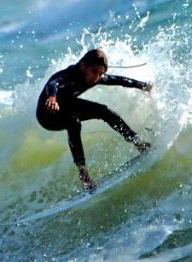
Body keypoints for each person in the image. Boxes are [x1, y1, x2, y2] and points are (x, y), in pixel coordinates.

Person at [36, 48, 153, 192]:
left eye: (101, 74)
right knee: (74, 123)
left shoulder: (94, 76)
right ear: (83, 65)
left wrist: (143, 86)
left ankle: (138, 143)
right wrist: (52, 98)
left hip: (68, 105)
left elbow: (119, 80)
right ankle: (85, 178)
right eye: (94, 72)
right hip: (47, 115)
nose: (97, 77)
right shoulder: (69, 75)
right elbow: (53, 84)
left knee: (104, 111)